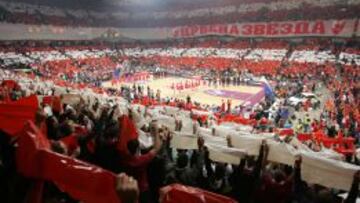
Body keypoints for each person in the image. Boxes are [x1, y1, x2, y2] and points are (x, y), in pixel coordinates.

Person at [122, 120, 163, 203]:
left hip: (129, 187)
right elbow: (156, 148)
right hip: (142, 189)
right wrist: (155, 131)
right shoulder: (140, 160)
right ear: (138, 149)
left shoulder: (123, 157)